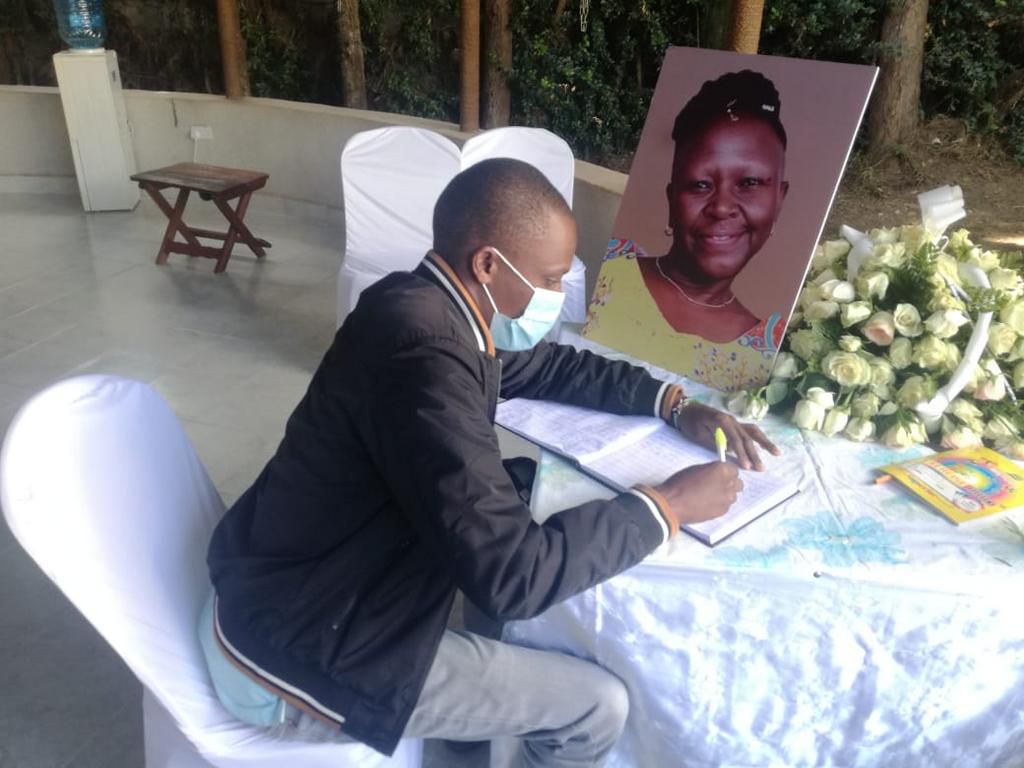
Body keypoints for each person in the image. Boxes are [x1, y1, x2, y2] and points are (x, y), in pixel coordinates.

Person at [200, 158, 778, 766]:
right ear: (488, 264)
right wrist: (667, 507)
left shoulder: (421, 305)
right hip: (301, 649)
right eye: (552, 279)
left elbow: (549, 366)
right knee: (597, 705)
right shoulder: (425, 359)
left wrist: (672, 403)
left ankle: (466, 730)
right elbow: (513, 577)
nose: (558, 296)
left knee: (523, 485)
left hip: (305, 579)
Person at [584, 70, 790, 392]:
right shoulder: (613, 271)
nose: (721, 207)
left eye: (749, 183)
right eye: (700, 185)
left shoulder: (767, 353)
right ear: (671, 198)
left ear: (779, 200)